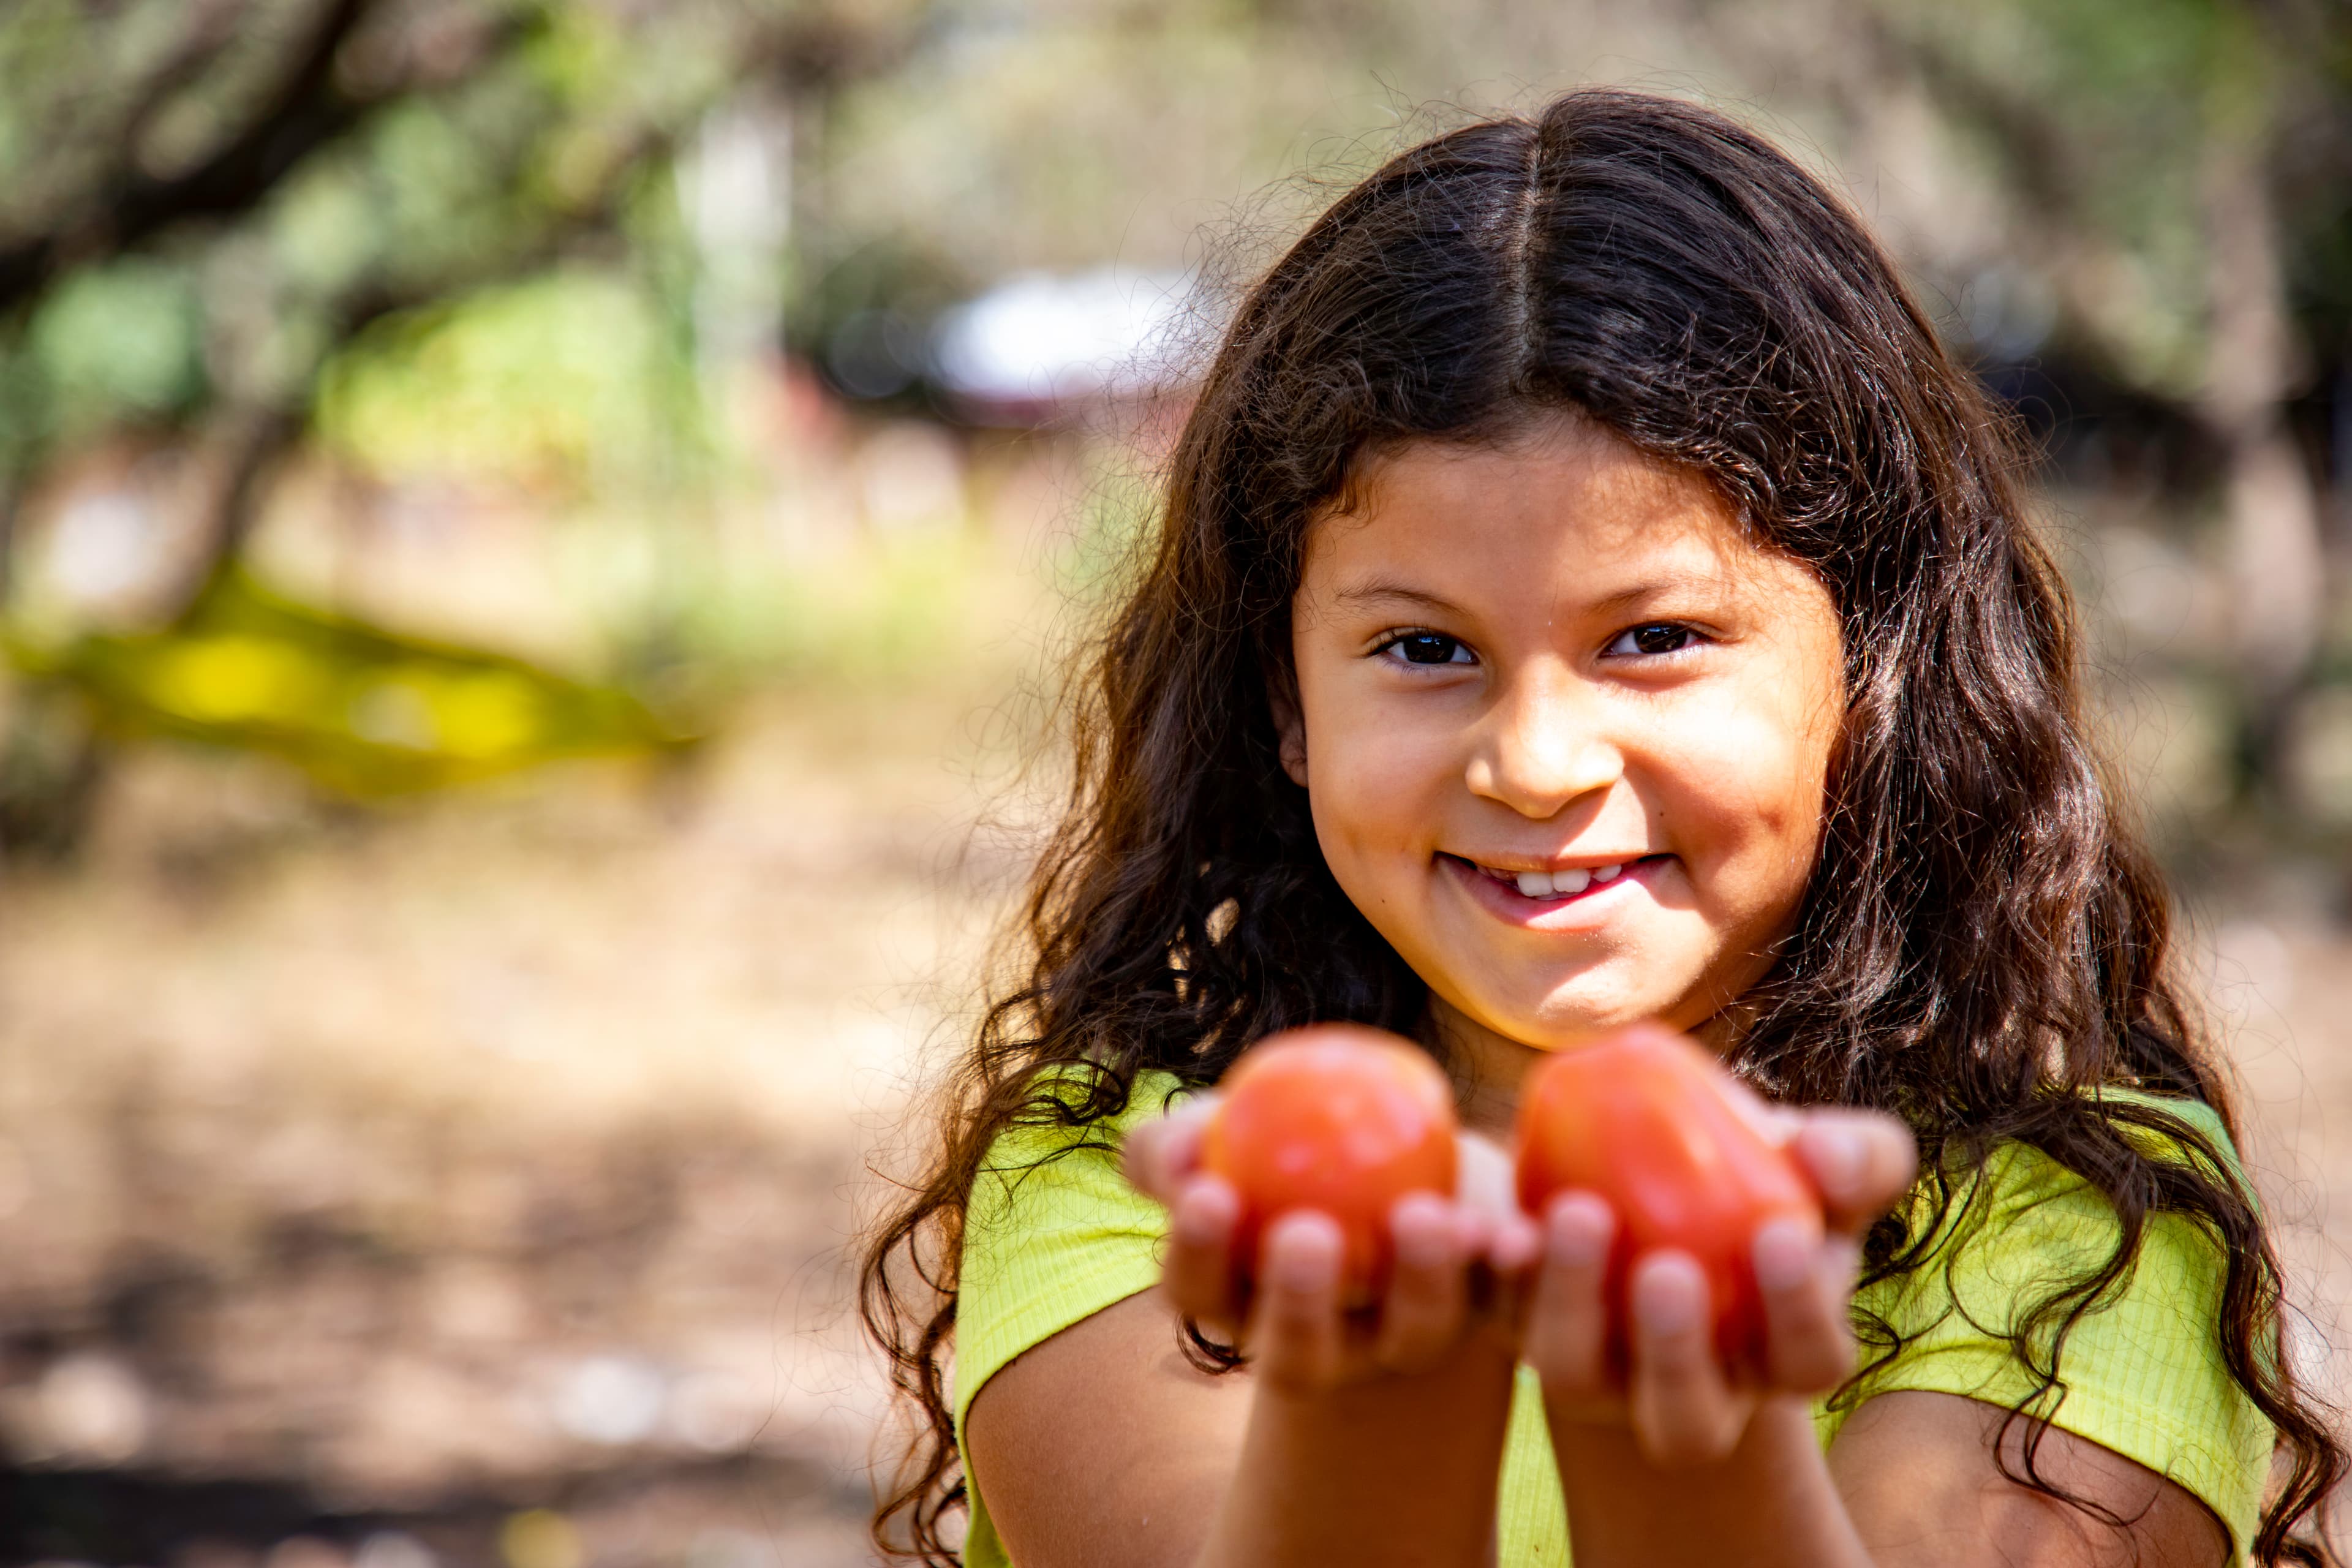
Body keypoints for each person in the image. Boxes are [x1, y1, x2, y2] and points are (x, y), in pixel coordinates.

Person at [859, 89, 2344, 1567]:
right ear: (1284, 698)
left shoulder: (2080, 1226)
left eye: (1655, 637)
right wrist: (1386, 1381)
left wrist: (1671, 1410)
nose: (1535, 761)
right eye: (1425, 650)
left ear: (1874, 672)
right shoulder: (1137, 1178)